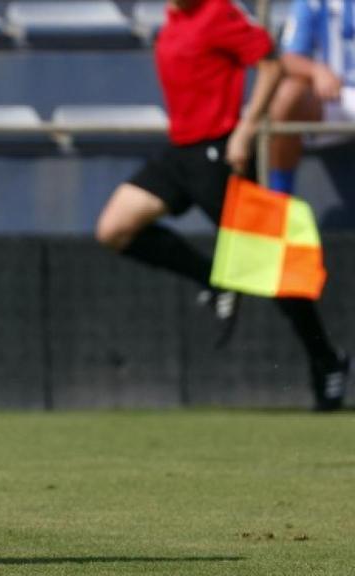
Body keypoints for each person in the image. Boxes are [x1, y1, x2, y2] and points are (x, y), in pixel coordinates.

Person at [94, 0, 350, 411]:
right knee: (114, 228)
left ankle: (327, 360)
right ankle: (213, 281)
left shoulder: (218, 12)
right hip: (180, 152)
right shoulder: (175, 17)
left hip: (221, 154)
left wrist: (246, 129)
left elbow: (269, 61)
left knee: (271, 266)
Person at [269, 0, 355, 195]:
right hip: (334, 98)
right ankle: (278, 199)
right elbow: (288, 58)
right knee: (288, 92)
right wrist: (317, 71)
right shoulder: (312, 2)